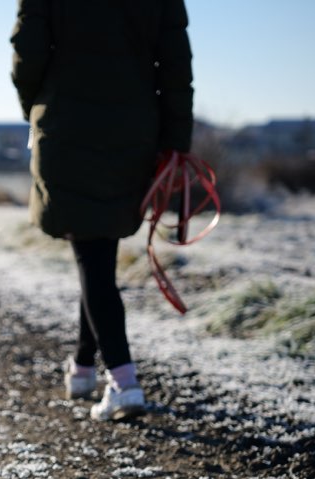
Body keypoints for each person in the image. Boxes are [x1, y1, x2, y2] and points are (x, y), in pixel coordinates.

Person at [10, 0, 194, 421]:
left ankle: (124, 382)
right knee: (95, 253)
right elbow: (177, 65)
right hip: (134, 133)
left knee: (91, 255)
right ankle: (82, 368)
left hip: (65, 125)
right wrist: (175, 140)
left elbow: (27, 53)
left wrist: (35, 108)